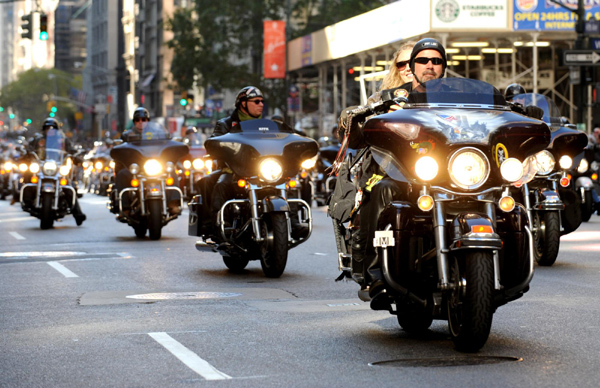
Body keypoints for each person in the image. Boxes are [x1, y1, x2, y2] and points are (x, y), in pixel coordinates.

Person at [338, 38, 448, 308]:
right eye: (421, 61)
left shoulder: (459, 97)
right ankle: (376, 270)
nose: (428, 66)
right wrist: (370, 116)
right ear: (409, 66)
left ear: (444, 66)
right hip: (402, 173)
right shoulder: (391, 98)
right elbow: (359, 129)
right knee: (383, 189)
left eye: (435, 61)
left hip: (451, 173)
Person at [197, 86, 306, 239]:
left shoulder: (268, 126)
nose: (261, 104)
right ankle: (219, 226)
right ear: (243, 104)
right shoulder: (226, 124)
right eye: (256, 101)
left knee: (287, 183)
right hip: (234, 170)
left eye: (262, 101)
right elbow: (214, 142)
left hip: (263, 170)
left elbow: (286, 138)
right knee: (220, 185)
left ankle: (294, 224)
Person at [115, 107, 181, 218]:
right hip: (137, 167)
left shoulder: (157, 133)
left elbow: (166, 143)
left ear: (148, 121)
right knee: (121, 174)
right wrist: (121, 142)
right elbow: (121, 146)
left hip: (155, 165)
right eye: (137, 120)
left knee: (171, 172)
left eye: (143, 119)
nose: (140, 122)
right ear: (134, 122)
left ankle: (173, 203)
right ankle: (124, 207)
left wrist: (171, 140)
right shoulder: (129, 134)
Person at [29, 118, 87, 225]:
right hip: (42, 168)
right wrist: (26, 153)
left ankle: (78, 214)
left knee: (68, 188)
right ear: (44, 129)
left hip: (58, 168)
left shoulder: (63, 140)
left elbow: (71, 151)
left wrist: (77, 157)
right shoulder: (38, 140)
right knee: (28, 181)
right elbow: (29, 149)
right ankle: (25, 201)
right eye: (48, 128)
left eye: (53, 128)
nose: (50, 130)